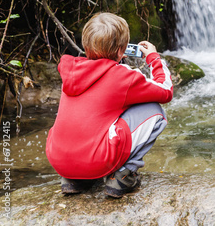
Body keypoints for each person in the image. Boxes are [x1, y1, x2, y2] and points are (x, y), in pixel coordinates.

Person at [45, 12, 173, 198]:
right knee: (155, 111)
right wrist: (153, 58)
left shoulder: (71, 70)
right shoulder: (123, 76)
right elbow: (165, 91)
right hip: (96, 162)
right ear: (122, 50)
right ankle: (123, 176)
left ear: (86, 46)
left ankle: (73, 179)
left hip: (59, 160)